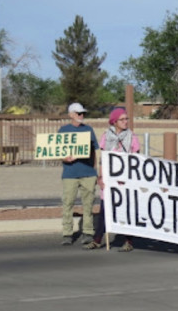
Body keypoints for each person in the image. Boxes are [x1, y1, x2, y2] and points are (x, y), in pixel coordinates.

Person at [83, 108, 140, 252]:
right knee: (104, 210)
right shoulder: (106, 136)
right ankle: (97, 240)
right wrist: (100, 177)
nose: (126, 122)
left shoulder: (132, 137)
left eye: (127, 119)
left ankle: (128, 241)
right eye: (122, 119)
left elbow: (136, 159)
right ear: (114, 121)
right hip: (109, 179)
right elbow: (103, 159)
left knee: (126, 211)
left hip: (125, 180)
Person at [59, 102, 100, 246]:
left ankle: (88, 232)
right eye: (78, 113)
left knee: (88, 204)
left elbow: (95, 150)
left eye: (83, 113)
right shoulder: (63, 130)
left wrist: (95, 171)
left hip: (88, 173)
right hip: (70, 173)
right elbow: (58, 151)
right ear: (71, 115)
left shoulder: (88, 130)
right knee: (68, 203)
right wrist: (65, 158)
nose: (81, 116)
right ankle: (67, 233)